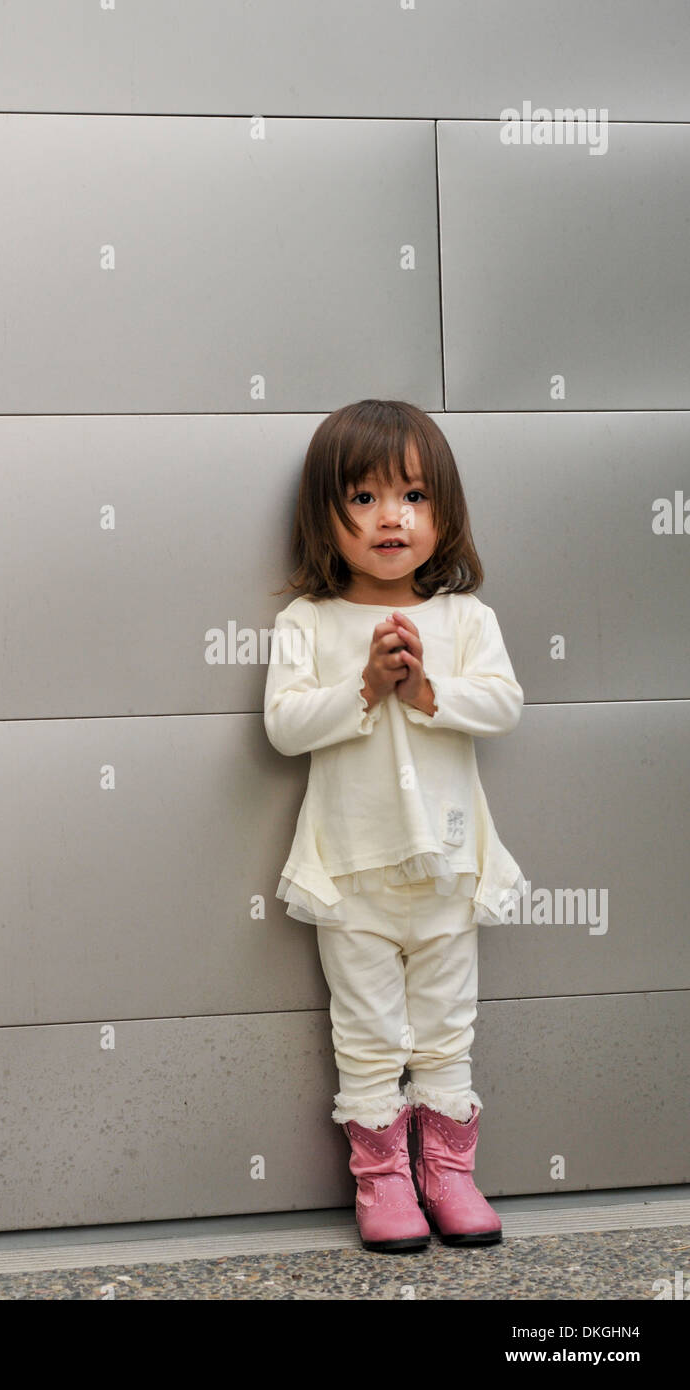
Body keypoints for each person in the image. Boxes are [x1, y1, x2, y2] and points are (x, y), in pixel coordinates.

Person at [263, 399, 526, 1254]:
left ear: (443, 511)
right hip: (351, 875)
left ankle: (448, 1174)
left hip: (448, 869)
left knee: (448, 1028)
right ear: (324, 514)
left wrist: (425, 689)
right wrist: (366, 687)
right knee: (368, 1035)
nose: (391, 518)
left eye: (413, 497)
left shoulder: (465, 618)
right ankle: (383, 1183)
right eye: (365, 497)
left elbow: (504, 704)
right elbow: (285, 726)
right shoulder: (308, 622)